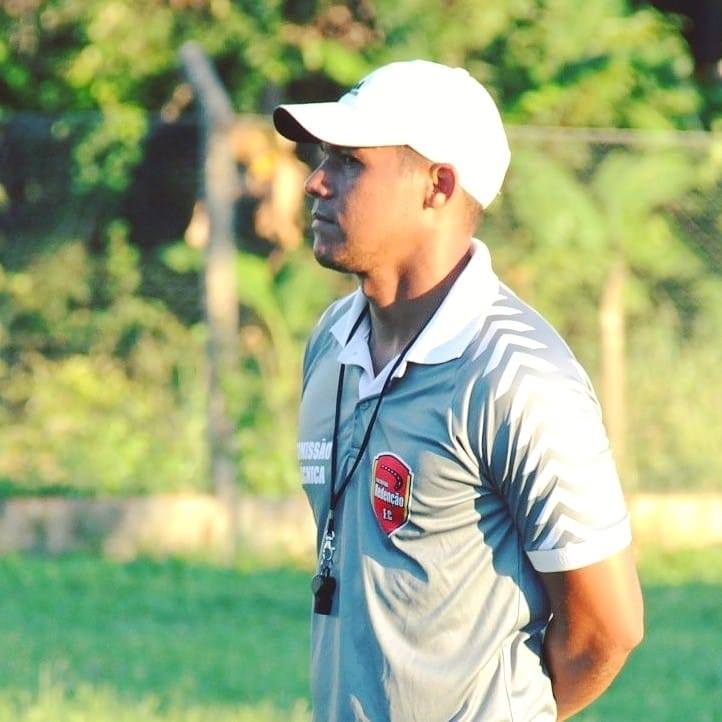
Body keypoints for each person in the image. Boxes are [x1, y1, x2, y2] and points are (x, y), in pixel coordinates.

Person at [273, 59, 644, 722]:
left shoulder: (518, 377)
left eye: (350, 161)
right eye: (324, 157)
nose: (316, 181)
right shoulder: (331, 341)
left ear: (437, 186)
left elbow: (606, 629)